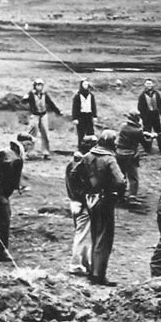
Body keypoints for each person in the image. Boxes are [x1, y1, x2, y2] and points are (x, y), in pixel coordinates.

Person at [81, 130, 127, 286]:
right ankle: (98, 275)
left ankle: (93, 270)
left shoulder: (87, 156)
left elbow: (76, 175)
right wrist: (118, 194)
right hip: (106, 200)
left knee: (95, 236)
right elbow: (120, 181)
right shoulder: (109, 159)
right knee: (104, 239)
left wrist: (84, 192)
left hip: (90, 199)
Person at [0, 133, 33, 261]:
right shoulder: (15, 159)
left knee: (3, 216)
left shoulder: (5, 152)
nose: (30, 148)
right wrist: (3, 194)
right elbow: (9, 180)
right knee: (4, 218)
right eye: (29, 145)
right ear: (25, 144)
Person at [65, 135, 98, 275]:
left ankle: (84, 262)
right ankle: (76, 264)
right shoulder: (81, 164)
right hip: (82, 203)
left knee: (84, 233)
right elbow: (81, 187)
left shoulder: (73, 162)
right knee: (82, 234)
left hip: (75, 202)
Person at [24, 78, 62, 159]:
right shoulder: (31, 94)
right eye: (38, 85)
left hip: (43, 115)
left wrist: (57, 111)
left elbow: (50, 103)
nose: (39, 87)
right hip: (35, 115)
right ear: (35, 86)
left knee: (45, 134)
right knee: (32, 134)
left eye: (41, 85)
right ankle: (30, 153)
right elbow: (23, 101)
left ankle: (46, 152)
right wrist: (26, 98)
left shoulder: (44, 94)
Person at [116, 112, 147, 202]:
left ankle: (120, 195)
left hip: (119, 153)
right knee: (133, 177)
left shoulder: (123, 126)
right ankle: (132, 196)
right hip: (130, 155)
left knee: (121, 175)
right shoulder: (138, 130)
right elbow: (146, 145)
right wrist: (150, 138)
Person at [137, 79, 161, 154]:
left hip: (155, 116)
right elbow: (140, 108)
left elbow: (160, 105)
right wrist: (141, 117)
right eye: (147, 84)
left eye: (150, 83)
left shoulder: (156, 94)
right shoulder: (142, 95)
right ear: (145, 85)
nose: (149, 85)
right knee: (147, 133)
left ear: (152, 84)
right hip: (147, 117)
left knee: (159, 132)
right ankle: (147, 149)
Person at [70, 79, 97, 148]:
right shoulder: (77, 96)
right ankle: (81, 147)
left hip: (89, 115)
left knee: (90, 132)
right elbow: (75, 107)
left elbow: (93, 106)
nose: (86, 86)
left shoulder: (91, 95)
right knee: (81, 133)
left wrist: (94, 116)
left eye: (87, 85)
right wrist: (75, 118)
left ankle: (90, 146)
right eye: (84, 85)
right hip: (81, 116)